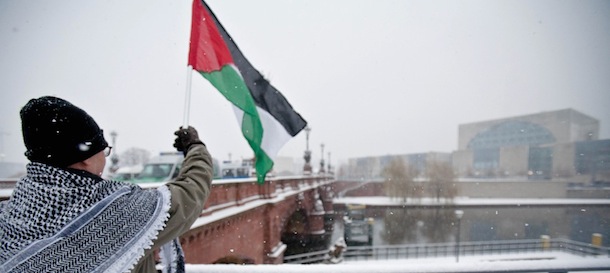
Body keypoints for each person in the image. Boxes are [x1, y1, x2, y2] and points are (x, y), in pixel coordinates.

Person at [0, 96, 213, 273]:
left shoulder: (10, 215)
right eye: (104, 150)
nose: (105, 157)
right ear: (85, 157)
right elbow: (189, 193)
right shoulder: (117, 210)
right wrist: (195, 146)